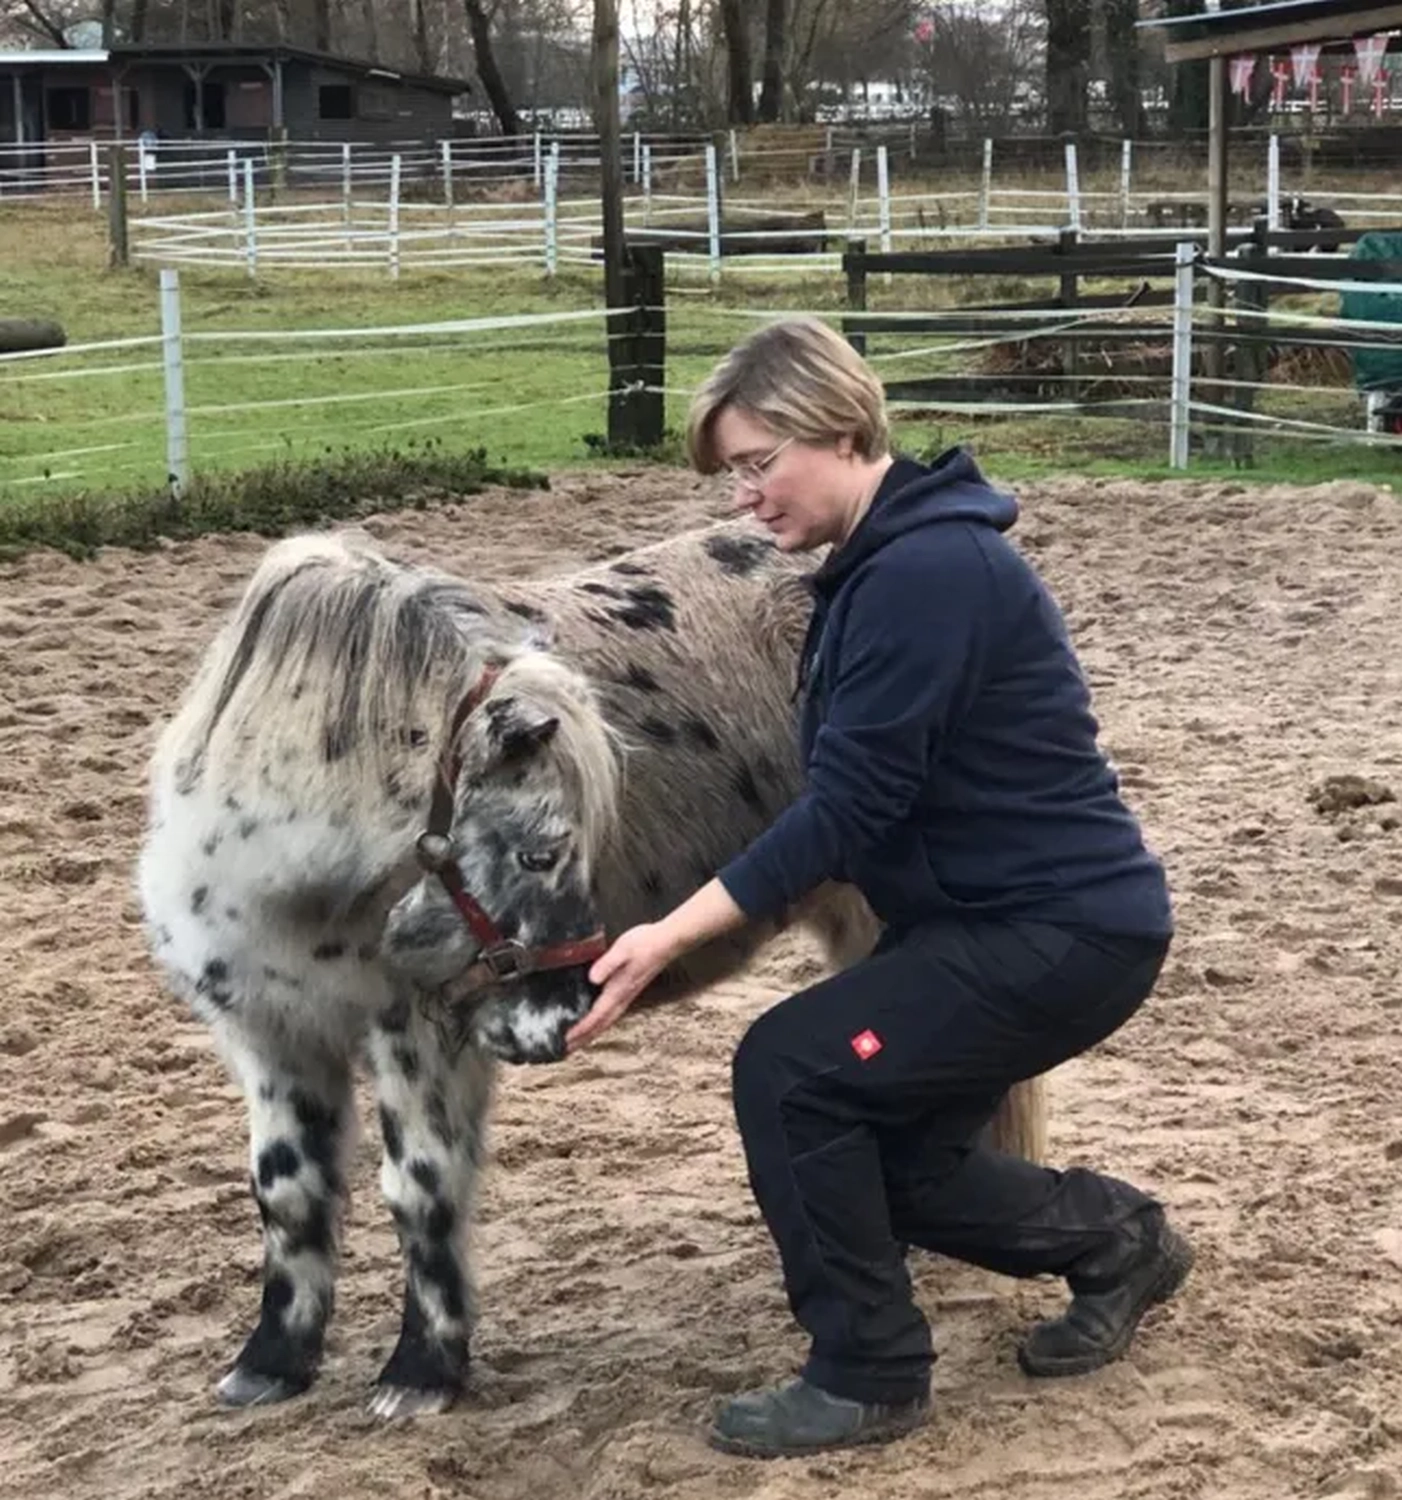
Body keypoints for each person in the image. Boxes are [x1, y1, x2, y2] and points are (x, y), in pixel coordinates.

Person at [564, 316, 1190, 1460]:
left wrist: (664, 936)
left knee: (792, 1076)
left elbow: (845, 812)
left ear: (843, 428)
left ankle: (867, 1370)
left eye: (759, 464)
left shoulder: (927, 574)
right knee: (894, 1161)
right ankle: (1118, 1242)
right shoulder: (881, 567)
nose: (743, 499)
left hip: (1051, 932)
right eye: (732, 475)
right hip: (994, 925)